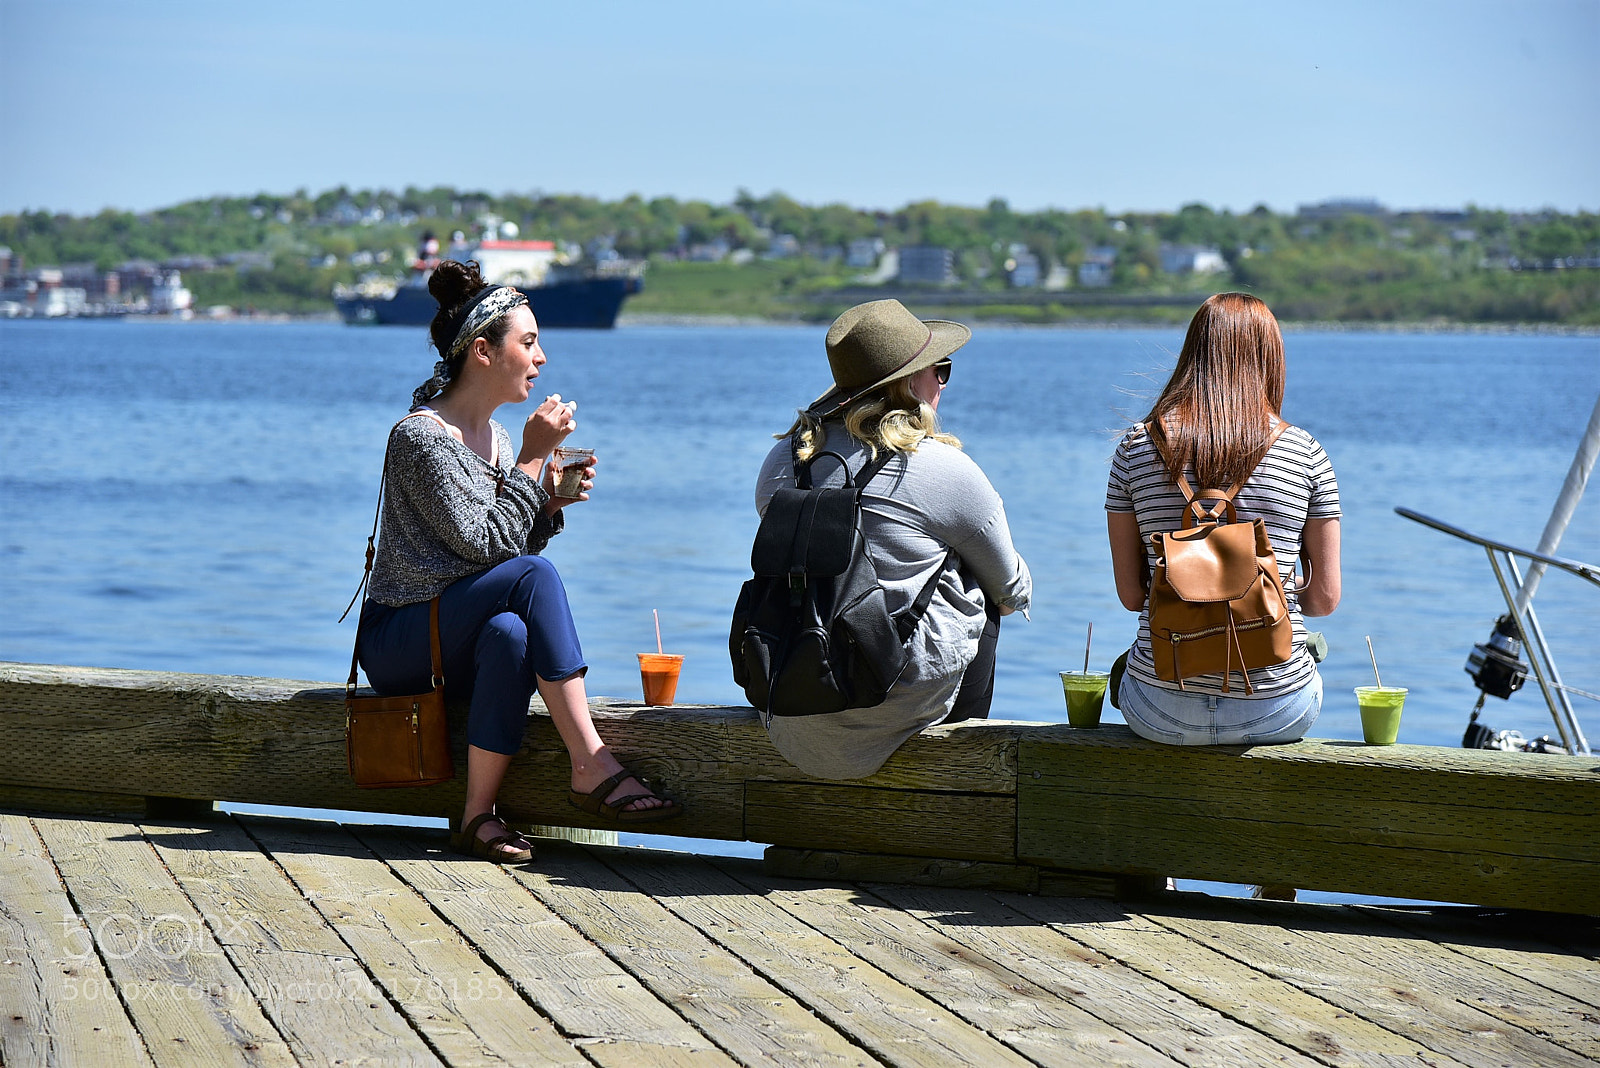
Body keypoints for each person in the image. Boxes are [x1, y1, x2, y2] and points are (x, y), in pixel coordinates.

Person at [357, 259, 680, 864]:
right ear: (483, 351)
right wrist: (534, 465)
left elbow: (503, 563)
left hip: (455, 631)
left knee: (509, 632)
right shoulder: (420, 438)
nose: (541, 358)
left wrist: (548, 504)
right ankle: (589, 761)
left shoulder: (500, 440)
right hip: (400, 637)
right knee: (536, 579)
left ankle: (477, 814)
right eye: (528, 342)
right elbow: (489, 550)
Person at [753, 299, 1032, 779]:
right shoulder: (943, 469)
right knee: (979, 586)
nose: (942, 383)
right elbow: (1012, 592)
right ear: (909, 383)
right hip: (893, 704)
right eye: (939, 370)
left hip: (788, 703)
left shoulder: (785, 460)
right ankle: (961, 760)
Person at [1106, 292, 1342, 745]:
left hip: (1159, 708)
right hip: (1277, 708)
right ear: (1270, 359)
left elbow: (1132, 596)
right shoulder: (1305, 453)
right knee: (1308, 650)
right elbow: (1323, 601)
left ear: (1191, 354)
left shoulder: (1135, 449)